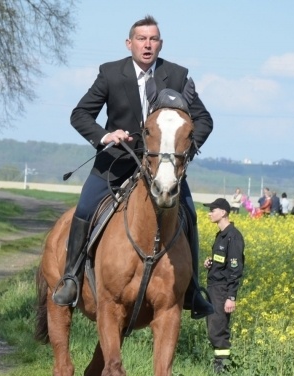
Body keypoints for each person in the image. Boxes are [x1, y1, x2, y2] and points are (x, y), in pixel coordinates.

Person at [54, 14, 214, 318]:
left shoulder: (178, 76)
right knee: (86, 209)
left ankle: (193, 289)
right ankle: (72, 278)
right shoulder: (111, 74)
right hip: (115, 162)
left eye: (153, 39)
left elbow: (204, 120)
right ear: (130, 43)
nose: (147, 45)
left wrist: (184, 148)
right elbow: (80, 115)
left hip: (163, 166)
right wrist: (105, 135)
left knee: (190, 214)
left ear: (160, 44)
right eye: (141, 39)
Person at [202, 198, 245, 373]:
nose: (209, 213)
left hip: (222, 290)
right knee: (213, 327)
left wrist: (231, 297)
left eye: (213, 210)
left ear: (224, 213)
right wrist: (212, 263)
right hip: (214, 288)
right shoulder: (221, 235)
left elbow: (235, 269)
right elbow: (224, 261)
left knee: (218, 329)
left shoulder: (233, 236)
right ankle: (219, 365)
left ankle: (222, 369)